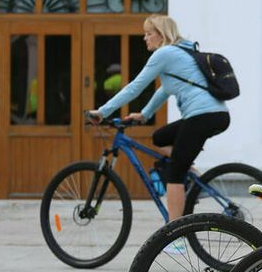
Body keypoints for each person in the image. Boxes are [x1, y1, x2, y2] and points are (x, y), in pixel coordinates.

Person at [87, 14, 229, 223]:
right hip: (213, 115)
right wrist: (145, 114)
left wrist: (102, 112)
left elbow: (136, 86)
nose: (145, 38)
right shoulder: (181, 52)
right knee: (160, 137)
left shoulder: (165, 53)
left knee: (174, 174)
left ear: (161, 35)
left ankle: (175, 234)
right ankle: (192, 175)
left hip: (202, 116)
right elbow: (165, 90)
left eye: (148, 33)